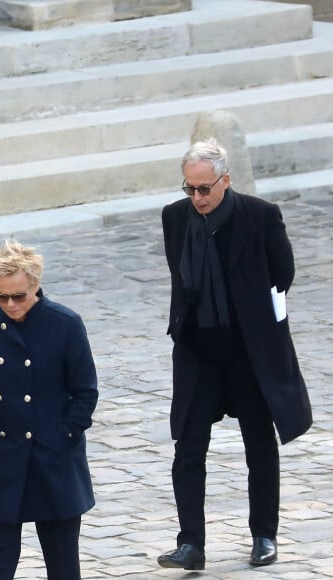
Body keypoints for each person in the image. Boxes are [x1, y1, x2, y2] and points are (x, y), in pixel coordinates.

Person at [158, 139, 312, 570]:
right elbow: (179, 275)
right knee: (187, 448)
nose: (196, 198)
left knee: (260, 445)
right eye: (189, 189)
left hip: (249, 351)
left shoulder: (260, 216)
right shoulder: (174, 217)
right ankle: (191, 543)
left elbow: (283, 273)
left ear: (225, 180)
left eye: (204, 189)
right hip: (198, 351)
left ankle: (264, 535)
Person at [0, 240, 97, 579]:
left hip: (53, 456)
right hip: (5, 453)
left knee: (62, 560)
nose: (9, 304)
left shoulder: (64, 323)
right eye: (1, 296)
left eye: (18, 296)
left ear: (35, 285)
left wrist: (64, 433)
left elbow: (85, 391)